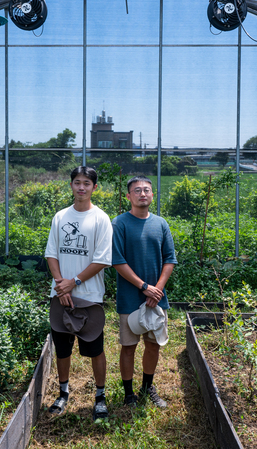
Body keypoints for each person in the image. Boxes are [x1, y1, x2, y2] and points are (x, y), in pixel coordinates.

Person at [44, 166, 113, 421]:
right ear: (71, 185)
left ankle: (100, 396)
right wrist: (60, 285)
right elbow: (51, 253)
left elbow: (103, 259)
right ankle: (63, 392)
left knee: (95, 348)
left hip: (89, 296)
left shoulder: (100, 219)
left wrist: (73, 282)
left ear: (95, 187)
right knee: (62, 347)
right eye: (76, 182)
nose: (81, 187)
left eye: (86, 183)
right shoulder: (61, 216)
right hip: (61, 294)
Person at [112, 175, 177, 408]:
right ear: (128, 196)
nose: (142, 194)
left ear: (152, 195)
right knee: (128, 346)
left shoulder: (161, 224)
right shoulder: (119, 223)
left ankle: (147, 387)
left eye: (147, 190)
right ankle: (128, 393)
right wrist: (143, 287)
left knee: (153, 344)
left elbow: (170, 259)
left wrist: (157, 289)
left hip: (157, 298)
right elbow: (117, 261)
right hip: (130, 297)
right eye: (137, 190)